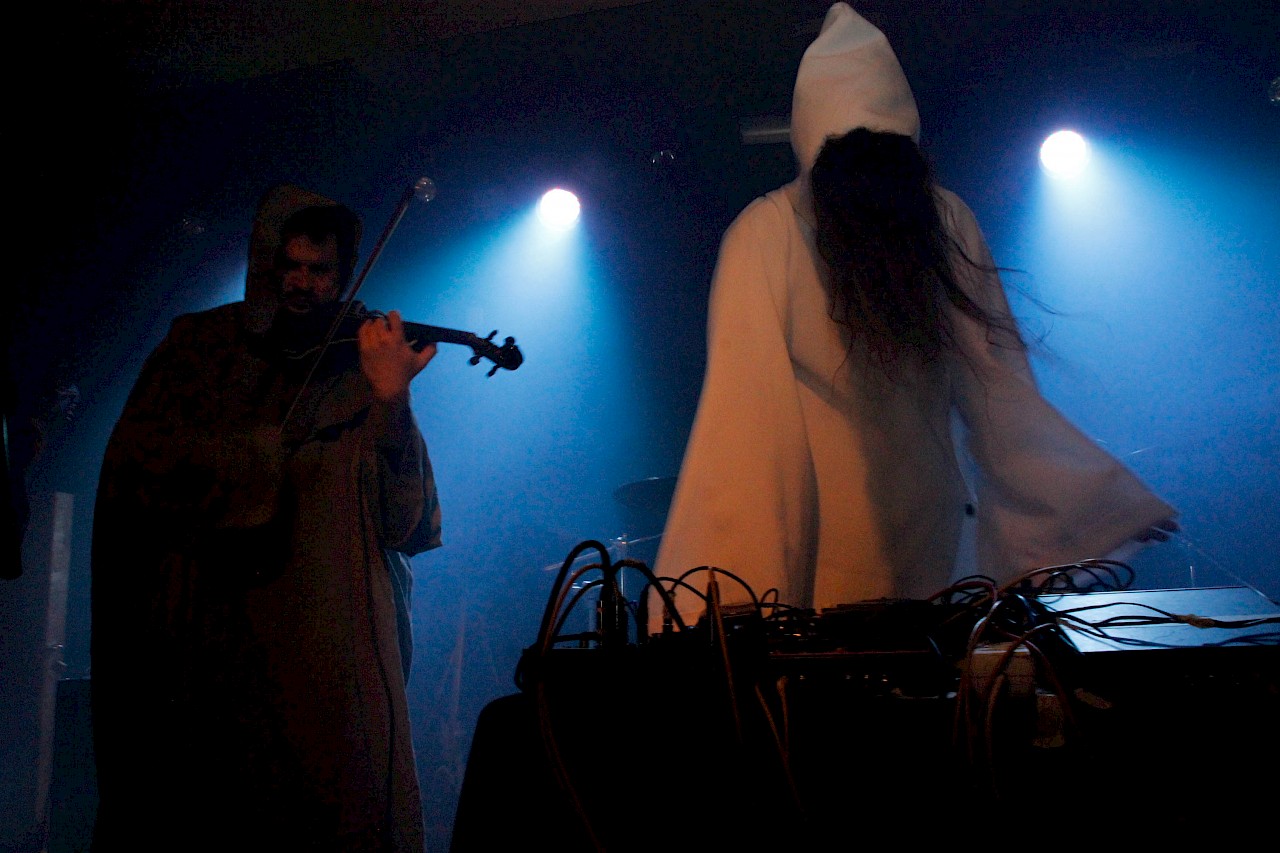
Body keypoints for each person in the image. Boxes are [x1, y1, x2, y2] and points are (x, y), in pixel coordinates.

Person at [652, 3, 1177, 628]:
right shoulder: (769, 235)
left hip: (938, 549)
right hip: (828, 558)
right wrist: (737, 601)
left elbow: (995, 384)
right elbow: (747, 424)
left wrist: (1101, 510)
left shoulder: (939, 219)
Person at [90, 185, 441, 852]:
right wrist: (259, 455)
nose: (303, 284)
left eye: (321, 271)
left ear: (343, 276)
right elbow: (144, 471)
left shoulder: (360, 366)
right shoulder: (201, 351)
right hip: (217, 658)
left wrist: (392, 402)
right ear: (266, 263)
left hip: (325, 672)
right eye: (292, 266)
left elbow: (411, 525)